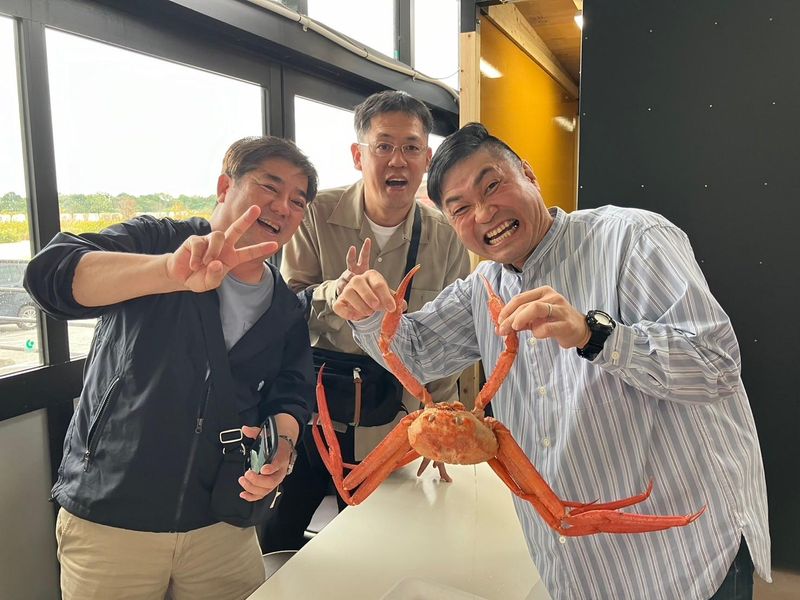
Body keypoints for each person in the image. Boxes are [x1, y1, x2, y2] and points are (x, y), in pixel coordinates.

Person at [332, 123, 771, 600]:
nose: (484, 213)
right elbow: (415, 354)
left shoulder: (631, 237)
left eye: (492, 185)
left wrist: (594, 334)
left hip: (684, 554)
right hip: (575, 566)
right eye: (460, 209)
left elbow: (716, 364)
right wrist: (369, 314)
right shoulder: (483, 289)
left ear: (528, 173)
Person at [24, 136, 318, 600]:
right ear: (225, 187)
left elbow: (291, 392)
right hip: (112, 517)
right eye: (269, 186)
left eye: (297, 201)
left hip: (223, 522)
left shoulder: (284, 307)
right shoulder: (159, 241)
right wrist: (165, 272)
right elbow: (50, 274)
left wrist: (280, 447)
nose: (283, 207)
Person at [260, 91, 471, 552]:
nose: (398, 160)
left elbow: (452, 341)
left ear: (427, 158)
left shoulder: (447, 237)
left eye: (411, 147)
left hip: (392, 428)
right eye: (384, 146)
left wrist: (442, 424)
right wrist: (333, 295)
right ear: (359, 155)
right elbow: (284, 309)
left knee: (378, 552)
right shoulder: (314, 214)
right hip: (311, 418)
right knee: (274, 539)